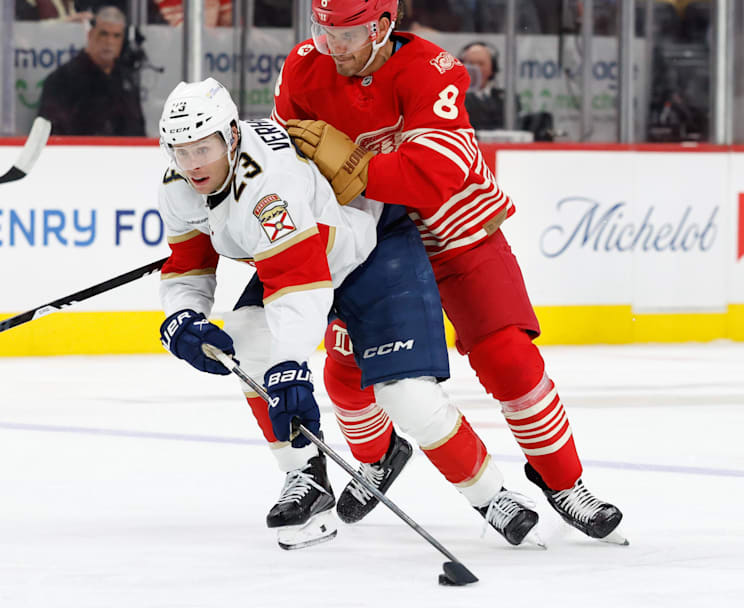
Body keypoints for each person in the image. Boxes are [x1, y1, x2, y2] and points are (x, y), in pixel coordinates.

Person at [275, 0, 625, 543]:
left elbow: (433, 175)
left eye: (348, 34)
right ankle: (380, 456)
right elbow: (286, 164)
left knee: (506, 355)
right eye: (324, 32)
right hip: (370, 242)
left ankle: (564, 482)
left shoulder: (433, 70)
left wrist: (353, 168)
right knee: (347, 375)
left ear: (383, 26)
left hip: (455, 229)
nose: (334, 47)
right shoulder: (302, 68)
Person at [157, 78, 541, 550]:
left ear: (231, 136)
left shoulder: (267, 184)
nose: (193, 162)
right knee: (246, 341)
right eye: (181, 150)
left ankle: (491, 497)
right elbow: (189, 266)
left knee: (406, 396)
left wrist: (289, 369)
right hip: (309, 260)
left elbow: (300, 285)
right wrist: (183, 316)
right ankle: (307, 478)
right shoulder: (178, 185)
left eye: (204, 147)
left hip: (372, 252)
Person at [37, 5, 144, 136]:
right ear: (90, 35)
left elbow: (138, 131)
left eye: (116, 36)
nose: (109, 41)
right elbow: (53, 134)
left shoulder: (126, 81)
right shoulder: (62, 80)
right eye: (103, 34)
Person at [459, 41, 507, 131]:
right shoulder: (454, 98)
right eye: (471, 63)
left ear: (492, 68)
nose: (476, 69)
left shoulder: (507, 100)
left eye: (481, 64)